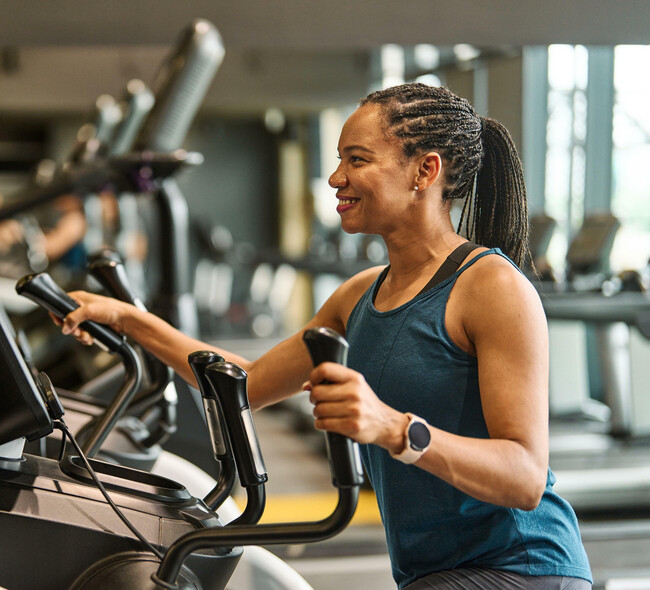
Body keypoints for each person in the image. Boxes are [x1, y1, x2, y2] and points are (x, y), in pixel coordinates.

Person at [56, 83, 592, 589]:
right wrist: (130, 318)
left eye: (356, 160)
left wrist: (391, 427)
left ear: (425, 171)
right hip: (434, 574)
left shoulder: (492, 287)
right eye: (339, 160)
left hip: (523, 568)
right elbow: (243, 383)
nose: (336, 178)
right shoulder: (359, 294)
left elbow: (524, 476)